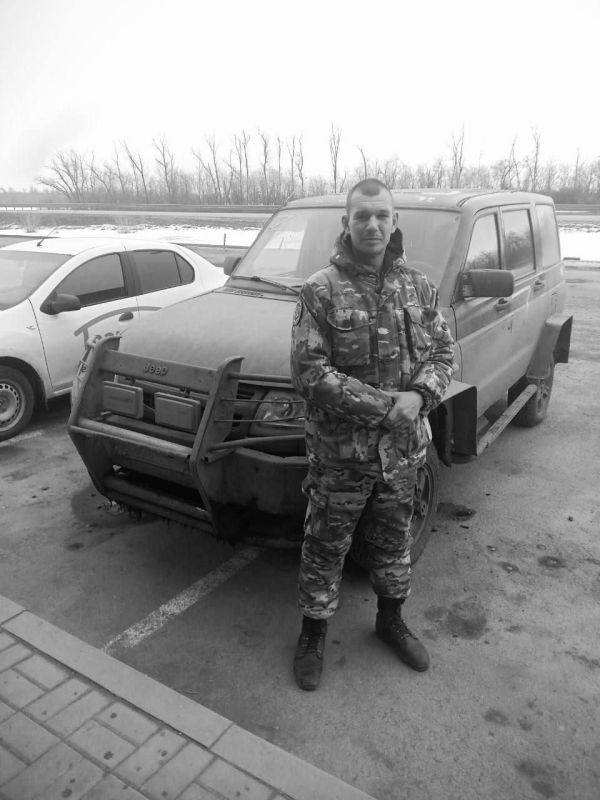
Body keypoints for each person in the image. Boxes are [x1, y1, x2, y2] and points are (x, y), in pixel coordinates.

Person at [290, 178, 455, 691]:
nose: (373, 225)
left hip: (402, 455)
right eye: (362, 216)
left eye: (382, 215)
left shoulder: (420, 288)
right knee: (325, 545)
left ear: (394, 221)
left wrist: (420, 396)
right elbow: (310, 374)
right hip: (341, 457)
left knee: (394, 540)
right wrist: (387, 407)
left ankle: (391, 620)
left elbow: (443, 353)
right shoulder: (319, 290)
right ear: (347, 223)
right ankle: (313, 633)